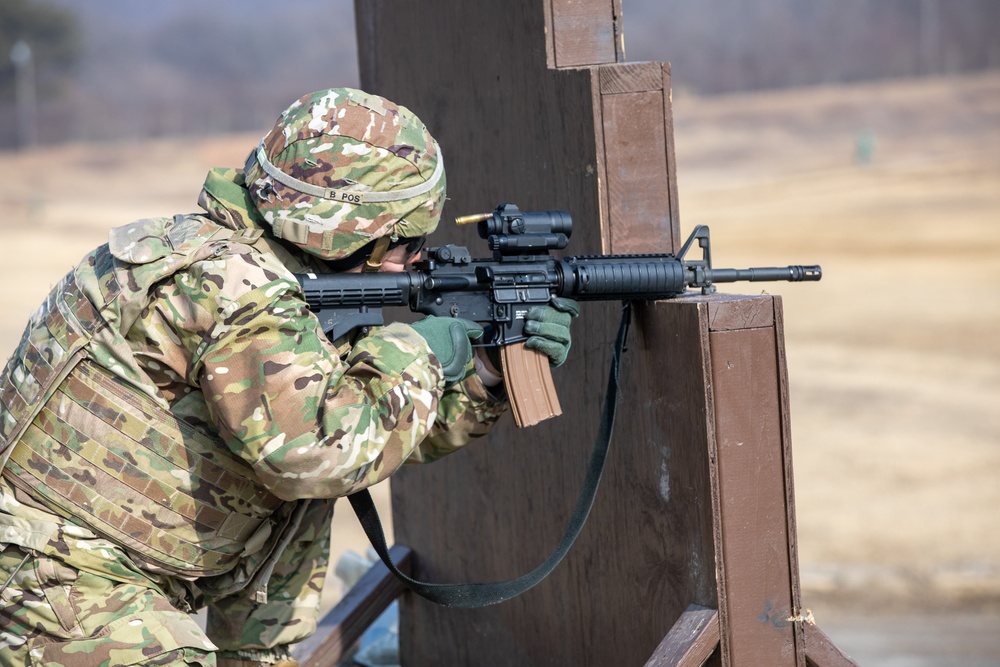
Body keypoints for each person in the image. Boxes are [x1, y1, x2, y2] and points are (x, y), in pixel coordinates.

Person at [0, 88, 577, 667]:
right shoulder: (232, 286)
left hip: (98, 576)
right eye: (405, 242)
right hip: (54, 583)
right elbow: (319, 453)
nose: (414, 260)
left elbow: (372, 425)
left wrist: (484, 373)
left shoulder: (265, 271)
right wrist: (417, 352)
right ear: (352, 232)